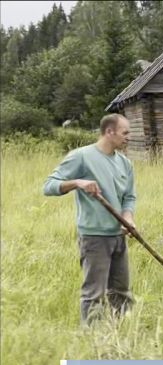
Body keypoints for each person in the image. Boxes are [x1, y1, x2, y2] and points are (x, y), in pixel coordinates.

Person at [44, 113, 137, 325]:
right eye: (125, 132)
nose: (129, 137)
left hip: (118, 236)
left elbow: (129, 197)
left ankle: (121, 335)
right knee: (94, 295)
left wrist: (128, 217)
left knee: (121, 292)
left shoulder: (125, 163)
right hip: (94, 238)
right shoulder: (82, 156)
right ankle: (92, 341)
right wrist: (77, 182)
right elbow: (48, 186)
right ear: (109, 132)